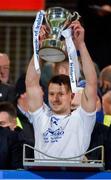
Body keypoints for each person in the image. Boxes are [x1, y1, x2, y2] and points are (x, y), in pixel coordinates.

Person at [26, 20, 97, 160]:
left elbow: (91, 83)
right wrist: (39, 48)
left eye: (61, 94)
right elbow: (31, 83)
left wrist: (81, 45)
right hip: (42, 175)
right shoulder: (41, 117)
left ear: (72, 96)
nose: (55, 98)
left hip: (73, 175)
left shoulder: (82, 119)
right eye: (51, 94)